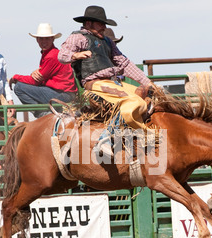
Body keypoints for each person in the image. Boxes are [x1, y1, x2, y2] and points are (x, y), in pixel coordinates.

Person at [58, 5, 153, 157]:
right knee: (133, 101)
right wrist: (76, 55)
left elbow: (124, 63)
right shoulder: (78, 37)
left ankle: (140, 138)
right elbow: (62, 55)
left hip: (111, 82)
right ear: (89, 23)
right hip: (94, 84)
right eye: (100, 23)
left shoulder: (108, 42)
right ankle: (105, 138)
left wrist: (147, 82)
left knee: (145, 95)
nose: (104, 27)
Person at [9, 23, 77, 118]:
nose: (43, 41)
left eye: (47, 38)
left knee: (19, 87)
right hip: (63, 94)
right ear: (37, 40)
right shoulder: (50, 54)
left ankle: (42, 114)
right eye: (41, 38)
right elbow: (40, 77)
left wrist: (15, 77)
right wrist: (34, 74)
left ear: (52, 39)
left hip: (62, 95)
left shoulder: (51, 55)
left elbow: (36, 81)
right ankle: (46, 113)